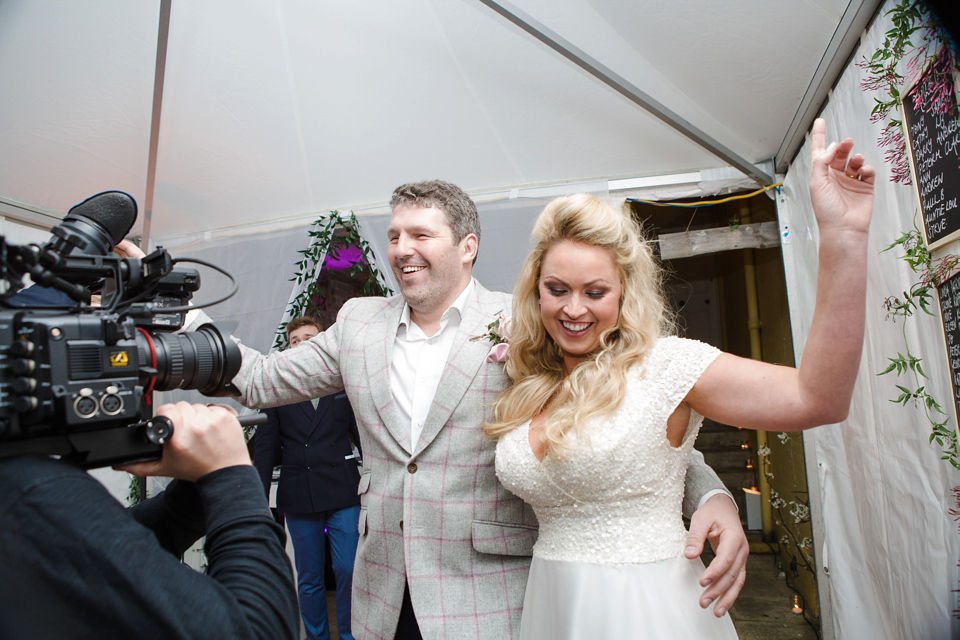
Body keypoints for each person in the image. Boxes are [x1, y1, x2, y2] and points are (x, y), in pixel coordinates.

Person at [228, 179, 749, 640]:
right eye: (394, 236)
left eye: (420, 235)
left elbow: (629, 421)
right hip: (382, 594)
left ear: (467, 246)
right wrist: (172, 331)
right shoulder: (358, 324)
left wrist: (714, 494)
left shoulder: (530, 321)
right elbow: (259, 378)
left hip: (490, 595)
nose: (401, 249)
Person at [487, 117, 874, 639]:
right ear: (537, 291)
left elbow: (817, 398)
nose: (573, 309)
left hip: (647, 610)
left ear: (624, 294)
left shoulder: (664, 366)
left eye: (594, 292)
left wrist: (843, 238)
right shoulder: (531, 377)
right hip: (554, 607)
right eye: (557, 288)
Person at [0, 401, 300, 640]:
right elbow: (261, 629)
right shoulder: (28, 490)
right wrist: (229, 473)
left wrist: (191, 497)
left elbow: (99, 555)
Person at [254, 316, 362, 640]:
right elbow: (264, 450)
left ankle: (349, 635)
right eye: (295, 340)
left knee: (348, 570)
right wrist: (257, 503)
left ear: (323, 342)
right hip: (299, 493)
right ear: (289, 348)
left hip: (344, 490)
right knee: (310, 577)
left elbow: (364, 436)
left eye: (309, 337)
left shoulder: (343, 382)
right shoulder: (277, 389)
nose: (302, 344)